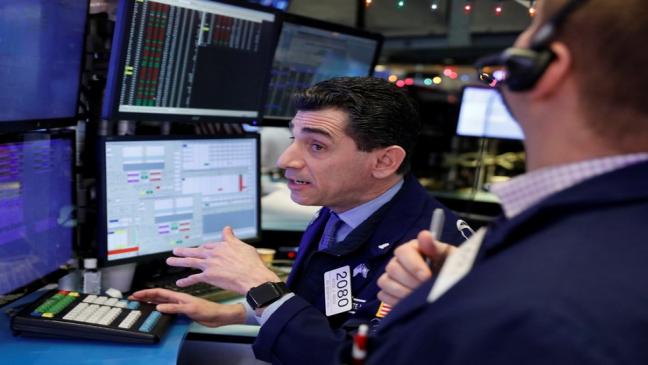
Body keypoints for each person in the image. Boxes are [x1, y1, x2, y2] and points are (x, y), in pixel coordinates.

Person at [367, 0, 648, 363]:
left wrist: (463, 312)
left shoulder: (525, 320)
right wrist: (476, 281)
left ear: (544, 67)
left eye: (530, 25)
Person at [131, 77, 465, 364]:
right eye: (294, 139)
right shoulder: (341, 210)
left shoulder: (430, 256)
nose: (285, 160)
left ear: (384, 161)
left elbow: (355, 357)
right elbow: (330, 314)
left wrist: (259, 284)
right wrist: (233, 313)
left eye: (317, 146)